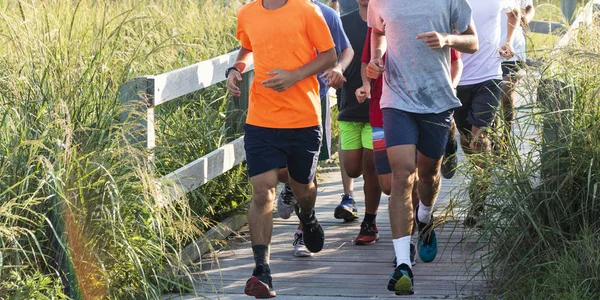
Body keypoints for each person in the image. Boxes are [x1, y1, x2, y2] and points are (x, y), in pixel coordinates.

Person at [366, 0, 478, 295]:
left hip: (437, 100)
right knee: (402, 176)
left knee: (428, 176)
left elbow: (473, 42)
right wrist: (377, 58)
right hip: (396, 100)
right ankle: (404, 264)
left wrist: (447, 39)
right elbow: (377, 32)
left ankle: (425, 218)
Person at [226, 0, 337, 297]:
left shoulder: (307, 11)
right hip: (261, 119)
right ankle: (262, 270)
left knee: (302, 187)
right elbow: (248, 48)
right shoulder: (247, 13)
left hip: (302, 119)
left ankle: (308, 215)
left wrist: (295, 76)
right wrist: (236, 69)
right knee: (263, 189)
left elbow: (329, 56)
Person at [357, 27, 464, 261]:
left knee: (408, 178)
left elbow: (456, 61)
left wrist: (450, 88)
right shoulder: (382, 16)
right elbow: (368, 62)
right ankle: (418, 219)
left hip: (422, 108)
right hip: (382, 107)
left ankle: (409, 245)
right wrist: (369, 76)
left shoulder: (428, 14)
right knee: (389, 185)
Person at [275, 0, 354, 258]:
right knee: (280, 171)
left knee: (307, 171)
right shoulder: (272, 10)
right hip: (275, 101)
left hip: (313, 101)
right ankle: (289, 186)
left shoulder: (326, 14)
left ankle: (302, 230)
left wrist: (338, 68)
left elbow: (346, 51)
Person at [455, 1, 520, 227]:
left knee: (479, 137)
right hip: (457, 77)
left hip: (489, 76)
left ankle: (478, 204)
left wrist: (508, 41)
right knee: (466, 139)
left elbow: (515, 13)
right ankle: (474, 165)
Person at [333, 0, 383, 249]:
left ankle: (369, 221)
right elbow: (332, 56)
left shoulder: (387, 19)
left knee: (372, 166)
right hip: (349, 106)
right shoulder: (343, 22)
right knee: (353, 169)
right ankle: (352, 199)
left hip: (379, 106)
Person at [499, 0, 535, 145]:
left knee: (507, 93)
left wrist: (525, 18)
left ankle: (506, 139)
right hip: (487, 48)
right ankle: (492, 135)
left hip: (513, 48)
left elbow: (529, 7)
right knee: (491, 95)